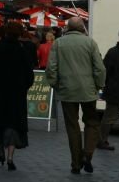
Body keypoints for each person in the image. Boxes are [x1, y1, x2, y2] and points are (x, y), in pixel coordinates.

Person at [46, 17, 105, 174]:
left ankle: (76, 164)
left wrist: (54, 84)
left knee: (72, 127)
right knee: (92, 122)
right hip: (88, 91)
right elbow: (100, 68)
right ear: (82, 28)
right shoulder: (90, 43)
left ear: (67, 28)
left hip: (67, 91)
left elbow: (51, 67)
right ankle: (88, 155)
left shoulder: (58, 43)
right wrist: (98, 85)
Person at [0, 22, 34, 171]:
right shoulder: (22, 52)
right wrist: (23, 87)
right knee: (13, 124)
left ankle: (0, 151)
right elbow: (30, 76)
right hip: (16, 95)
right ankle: (10, 157)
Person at [97, 28, 119, 151]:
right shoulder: (113, 53)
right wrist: (106, 86)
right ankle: (101, 141)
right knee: (110, 117)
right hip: (115, 92)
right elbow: (105, 72)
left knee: (109, 117)